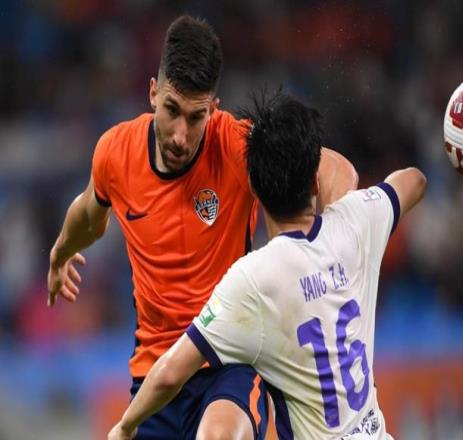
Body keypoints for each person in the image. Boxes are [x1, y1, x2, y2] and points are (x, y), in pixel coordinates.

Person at [47, 15, 358, 440]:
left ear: (213, 108)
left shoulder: (236, 145)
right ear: (153, 93)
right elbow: (88, 214)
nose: (180, 135)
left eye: (196, 118)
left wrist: (329, 247)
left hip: (229, 364)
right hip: (155, 379)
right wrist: (61, 252)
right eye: (171, 111)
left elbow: (337, 170)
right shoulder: (115, 153)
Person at [107, 90, 427, 440]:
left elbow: (170, 374)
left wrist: (125, 426)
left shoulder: (254, 279)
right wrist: (341, 222)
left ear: (254, 189)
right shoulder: (356, 221)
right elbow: (414, 180)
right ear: (314, 181)